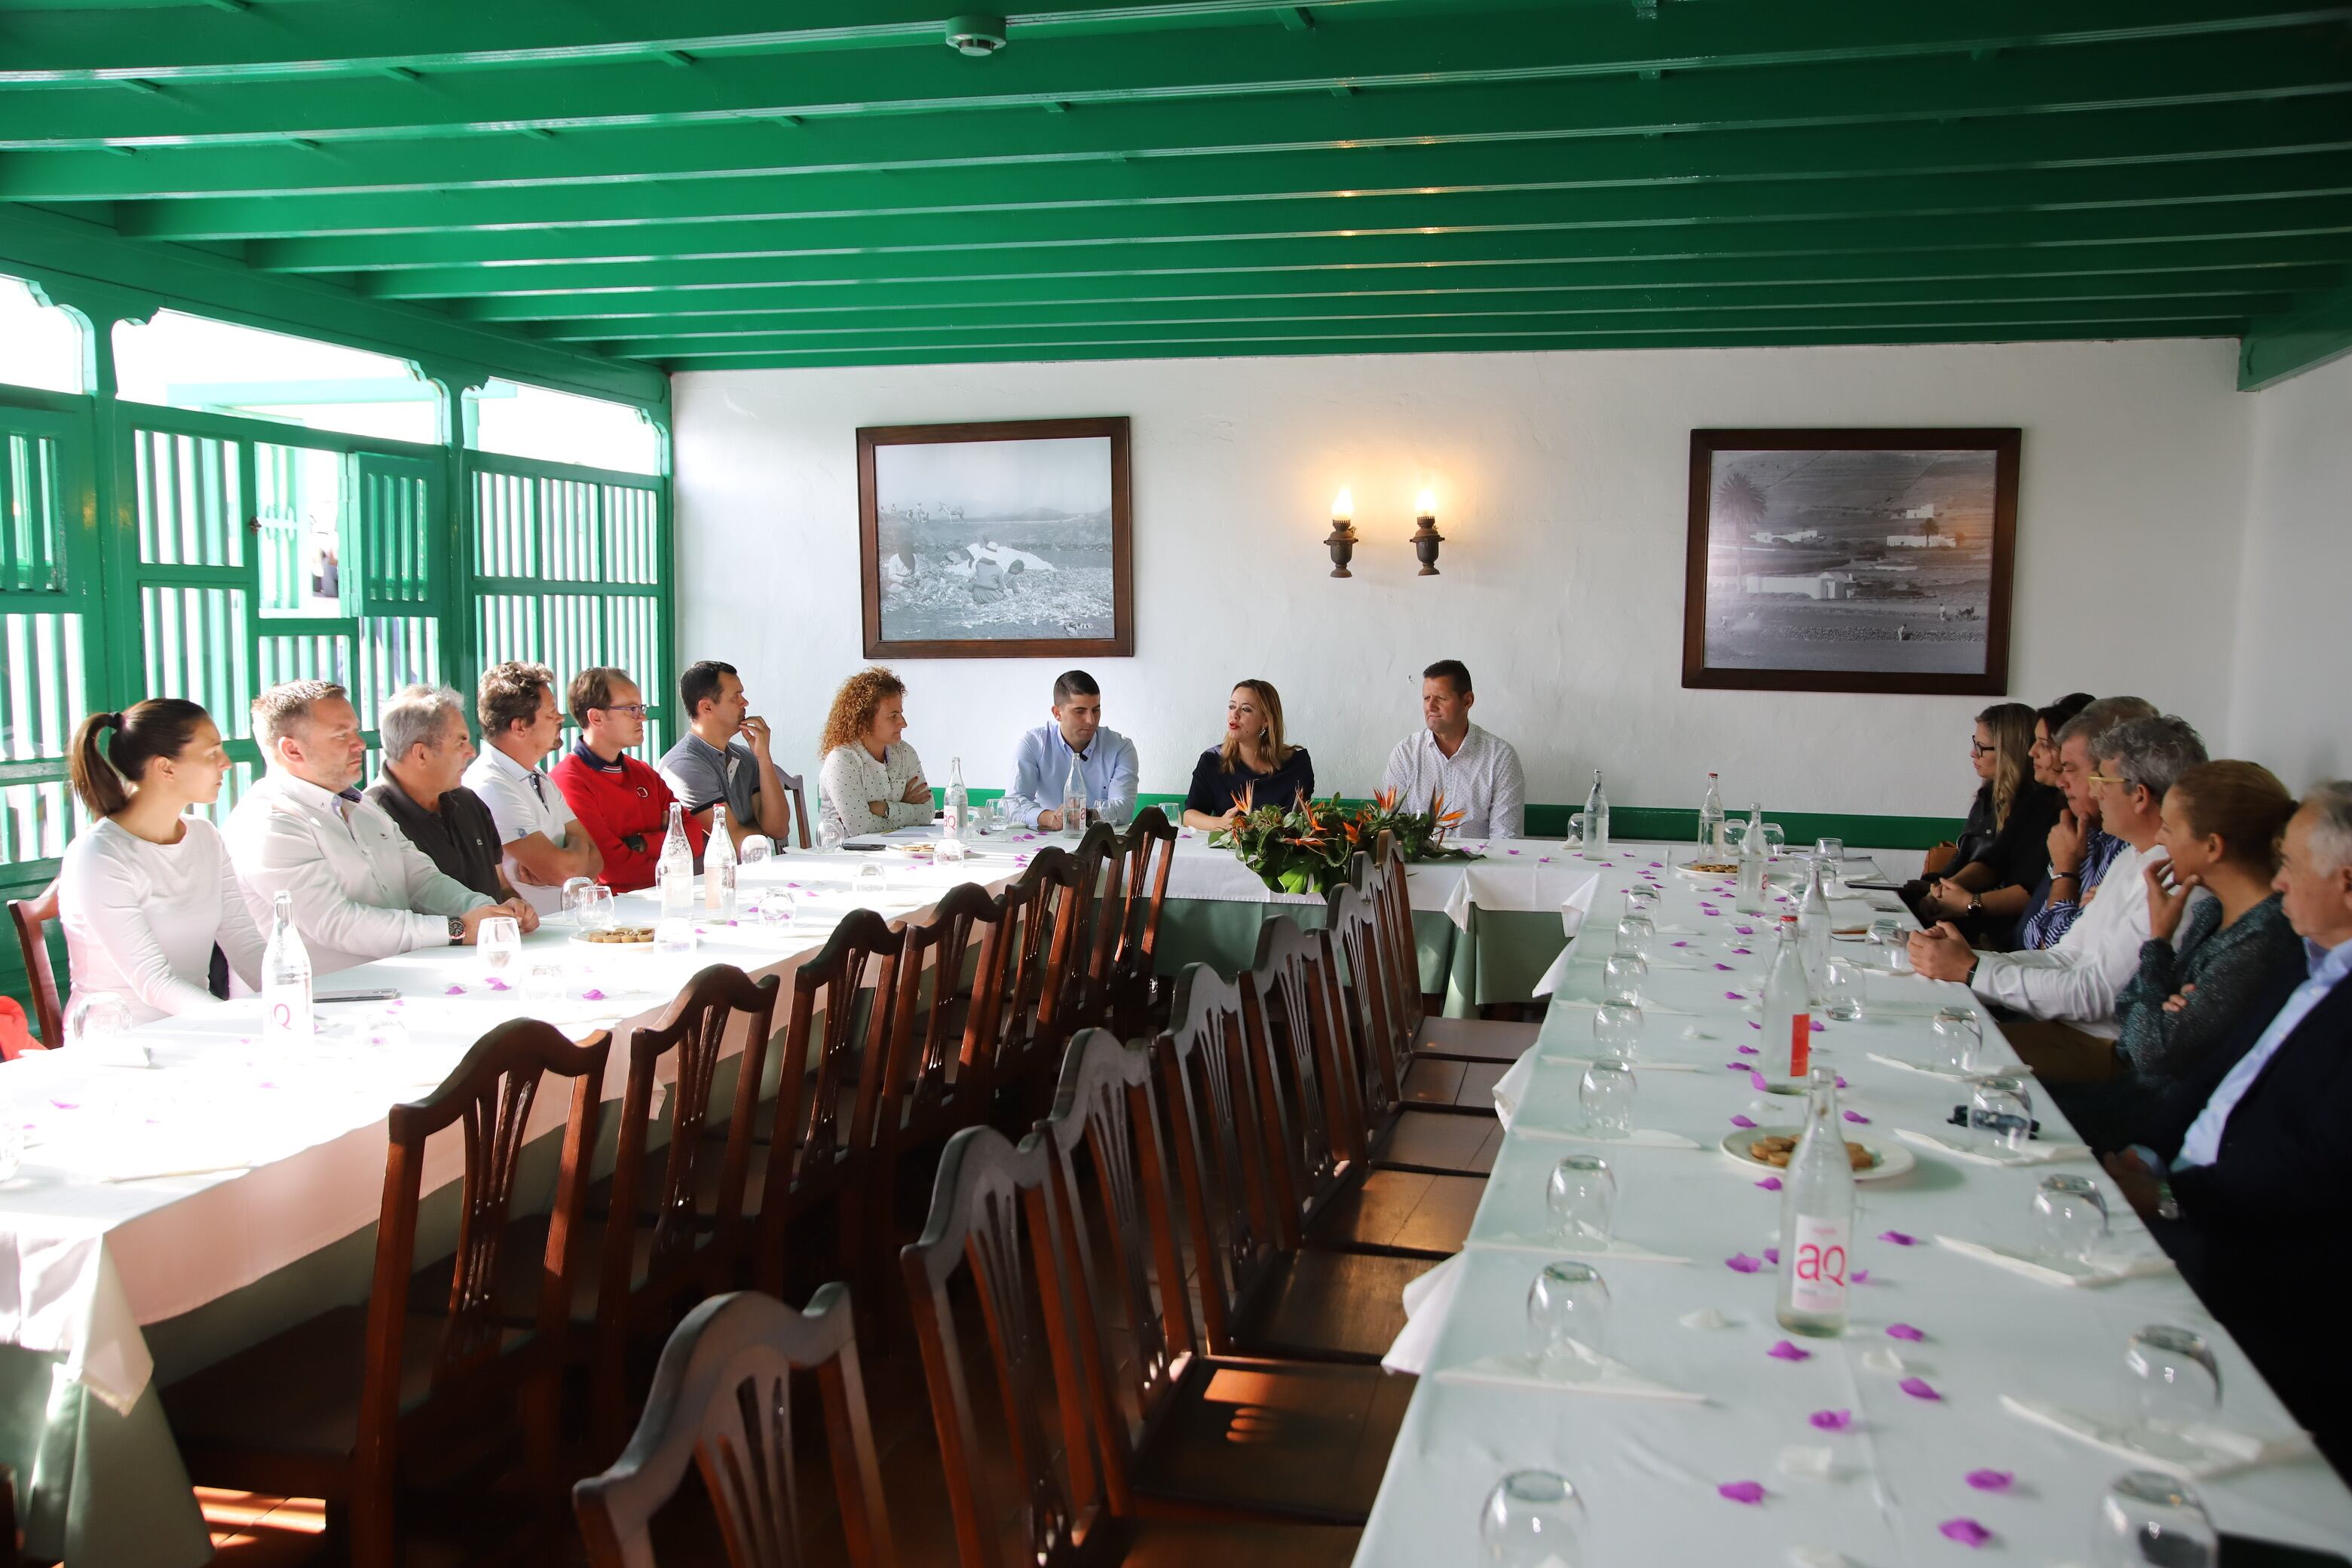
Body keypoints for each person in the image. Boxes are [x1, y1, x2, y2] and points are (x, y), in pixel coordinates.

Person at [2099, 782, 2352, 1475]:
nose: (2279, 883)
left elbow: (2322, 1165)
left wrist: (2174, 1197)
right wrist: (2144, 1155)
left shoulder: (2285, 949)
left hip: (2253, 1247)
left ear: (2348, 883)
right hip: (2182, 1190)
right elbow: (2210, 1077)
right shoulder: (2308, 963)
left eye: (2293, 867)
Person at [1909, 714, 2206, 1058]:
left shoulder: (2172, 876)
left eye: (2102, 780)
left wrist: (1971, 970)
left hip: (2100, 1050)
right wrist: (1966, 961)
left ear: (2139, 796)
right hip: (2061, 1029)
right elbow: (2066, 957)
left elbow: (2096, 996)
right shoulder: (2132, 857)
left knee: (1932, 1050)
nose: (2094, 791)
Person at [225, 680, 531, 977]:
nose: (359, 744)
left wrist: (490, 912)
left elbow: (422, 880)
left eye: (355, 730)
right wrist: (459, 928)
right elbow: (336, 922)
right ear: (292, 750)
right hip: (324, 1003)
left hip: (395, 982)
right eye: (340, 735)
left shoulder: (360, 806)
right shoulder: (270, 821)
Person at [57, 700, 266, 1024]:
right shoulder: (99, 854)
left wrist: (298, 1002)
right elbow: (153, 982)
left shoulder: (205, 835)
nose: (226, 763)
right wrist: (242, 1021)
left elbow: (244, 942)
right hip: (123, 1040)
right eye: (212, 753)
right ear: (166, 767)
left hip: (198, 1025)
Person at [2016, 696, 2159, 951]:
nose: (2061, 782)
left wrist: (2065, 871)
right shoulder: (2087, 832)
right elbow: (2031, 938)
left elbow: (2054, 952)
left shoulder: (2131, 846)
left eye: (2070, 769)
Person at [1907, 702, 2055, 947]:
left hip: (2002, 927)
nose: (1973, 753)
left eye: (1982, 747)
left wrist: (1967, 902)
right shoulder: (1989, 796)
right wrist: (1942, 887)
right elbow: (1987, 863)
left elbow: (2029, 889)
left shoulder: (2041, 805)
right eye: (1974, 743)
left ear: (2010, 751)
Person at [463, 660, 602, 918]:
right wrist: (571, 860)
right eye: (550, 714)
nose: (560, 718)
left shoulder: (537, 776)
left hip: (565, 922)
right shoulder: (491, 785)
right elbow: (564, 871)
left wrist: (568, 860)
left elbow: (597, 858)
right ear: (519, 727)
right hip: (533, 933)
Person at [550, 666, 706, 893]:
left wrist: (641, 843)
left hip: (668, 896)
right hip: (614, 913)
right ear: (596, 717)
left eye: (640, 707)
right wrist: (669, 847)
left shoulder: (643, 772)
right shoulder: (569, 780)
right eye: (631, 709)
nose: (642, 717)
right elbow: (611, 867)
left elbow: (693, 836)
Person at [363, 685, 510, 903]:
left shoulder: (469, 802)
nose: (471, 752)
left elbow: (500, 885)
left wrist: (515, 907)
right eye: (460, 742)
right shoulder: (371, 819)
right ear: (421, 754)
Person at [658, 660, 801, 852]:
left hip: (749, 874)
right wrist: (761, 830)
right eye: (736, 697)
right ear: (707, 707)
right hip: (704, 879)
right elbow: (733, 843)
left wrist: (763, 757)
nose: (745, 702)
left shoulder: (746, 757)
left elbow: (779, 829)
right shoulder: (684, 766)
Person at [1380, 659, 1525, 839]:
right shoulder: (1405, 755)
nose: (1430, 707)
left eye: (1441, 698)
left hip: (1478, 865)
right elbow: (1393, 831)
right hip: (1419, 866)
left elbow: (1505, 839)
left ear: (1467, 701)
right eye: (1426, 698)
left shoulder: (1500, 757)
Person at [1003, 669, 1139, 831]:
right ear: (1057, 713)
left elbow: (1125, 807)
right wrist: (1048, 817)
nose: (1091, 720)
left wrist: (1089, 815)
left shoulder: (1121, 748)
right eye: (1080, 711)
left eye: (1096, 710)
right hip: (1044, 845)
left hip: (1100, 845)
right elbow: (1012, 804)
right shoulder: (1033, 743)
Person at [1181, 679, 1314, 829]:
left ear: (1266, 720)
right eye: (1232, 707)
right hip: (1227, 851)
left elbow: (1301, 824)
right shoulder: (1213, 760)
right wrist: (1219, 823)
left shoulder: (1297, 765)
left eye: (1246, 709)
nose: (1234, 714)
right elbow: (1189, 816)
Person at [816, 666, 930, 838]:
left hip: (894, 854)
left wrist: (884, 808)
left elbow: (927, 814)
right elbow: (862, 829)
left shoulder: (906, 752)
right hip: (845, 858)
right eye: (893, 716)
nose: (903, 723)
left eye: (901, 713)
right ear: (864, 720)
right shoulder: (841, 760)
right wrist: (905, 807)